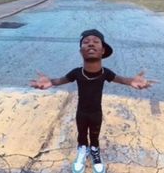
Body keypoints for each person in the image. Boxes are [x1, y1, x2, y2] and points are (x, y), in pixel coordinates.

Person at [30, 29, 156, 173]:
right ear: (81, 51)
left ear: (102, 50)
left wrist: (131, 81)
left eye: (96, 42)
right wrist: (50, 82)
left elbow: (120, 79)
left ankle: (95, 151)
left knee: (94, 134)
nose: (91, 44)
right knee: (82, 133)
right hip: (81, 112)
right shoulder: (76, 73)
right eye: (86, 42)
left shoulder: (105, 73)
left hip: (96, 112)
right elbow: (60, 80)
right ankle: (82, 149)